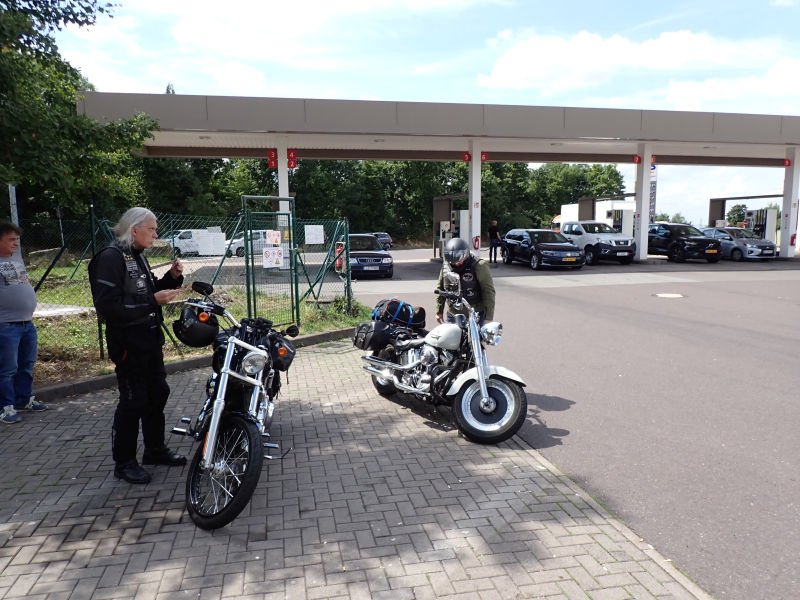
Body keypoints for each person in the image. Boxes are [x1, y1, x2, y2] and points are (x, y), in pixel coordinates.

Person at [88, 208, 185, 484]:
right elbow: (109, 307)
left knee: (158, 393)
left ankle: (154, 449)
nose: (156, 234)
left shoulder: (137, 256)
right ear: (134, 230)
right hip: (128, 343)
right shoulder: (110, 258)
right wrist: (153, 301)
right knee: (133, 400)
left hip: (150, 339)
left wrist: (172, 277)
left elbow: (147, 292)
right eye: (151, 229)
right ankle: (124, 462)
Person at [0, 222, 48, 425]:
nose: (16, 243)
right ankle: (5, 407)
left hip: (26, 323)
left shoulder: (16, 258)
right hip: (5, 324)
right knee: (7, 368)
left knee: (26, 364)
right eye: (11, 239)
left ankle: (23, 399)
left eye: (17, 240)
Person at [436, 237, 495, 325]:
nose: (456, 264)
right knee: (451, 334)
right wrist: (439, 311)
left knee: (479, 334)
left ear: (466, 254)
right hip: (453, 313)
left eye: (459, 260)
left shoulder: (479, 265)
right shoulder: (446, 266)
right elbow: (441, 289)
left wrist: (489, 318)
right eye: (453, 262)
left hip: (475, 313)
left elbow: (488, 291)